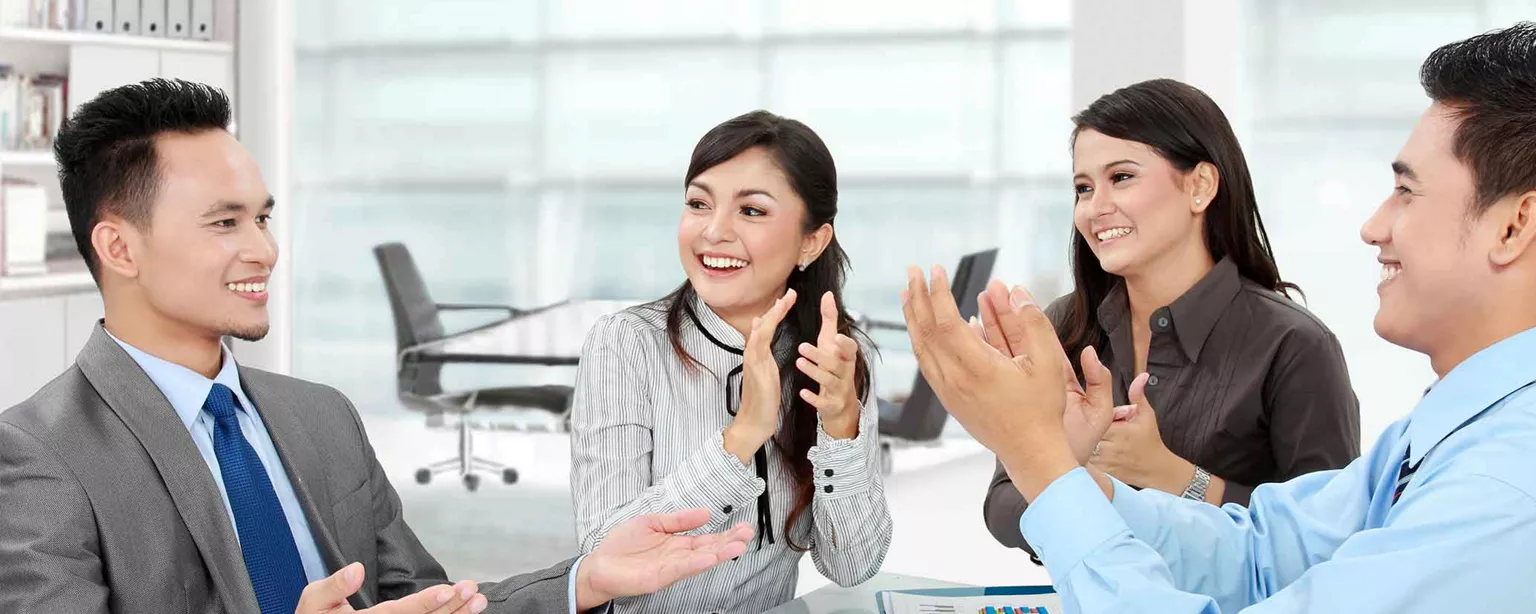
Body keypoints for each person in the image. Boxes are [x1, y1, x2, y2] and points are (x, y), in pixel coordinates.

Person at [0, 78, 753, 614]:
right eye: (224, 223)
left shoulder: (319, 416)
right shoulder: (38, 455)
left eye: (263, 218)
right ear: (119, 248)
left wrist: (583, 581)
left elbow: (429, 603)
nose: (264, 250)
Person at [903, 21, 1536, 613]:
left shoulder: (1504, 489)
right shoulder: (1435, 429)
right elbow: (1261, 555)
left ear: (1514, 225)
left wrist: (1043, 457)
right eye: (1083, 186)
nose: (1372, 227)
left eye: (1406, 189)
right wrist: (1064, 470)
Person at [983, 79, 1360, 559]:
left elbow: (1331, 537)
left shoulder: (1294, 344)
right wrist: (1071, 470)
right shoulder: (1062, 325)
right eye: (1083, 187)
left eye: (1121, 177)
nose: (1095, 207)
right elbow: (1001, 506)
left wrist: (1176, 478)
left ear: (1200, 186)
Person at [569, 110, 893, 613]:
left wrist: (840, 429)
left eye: (752, 211)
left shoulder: (835, 359)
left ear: (812, 240)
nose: (713, 232)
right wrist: (740, 439)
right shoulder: (626, 345)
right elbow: (605, 553)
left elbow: (852, 565)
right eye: (699, 203)